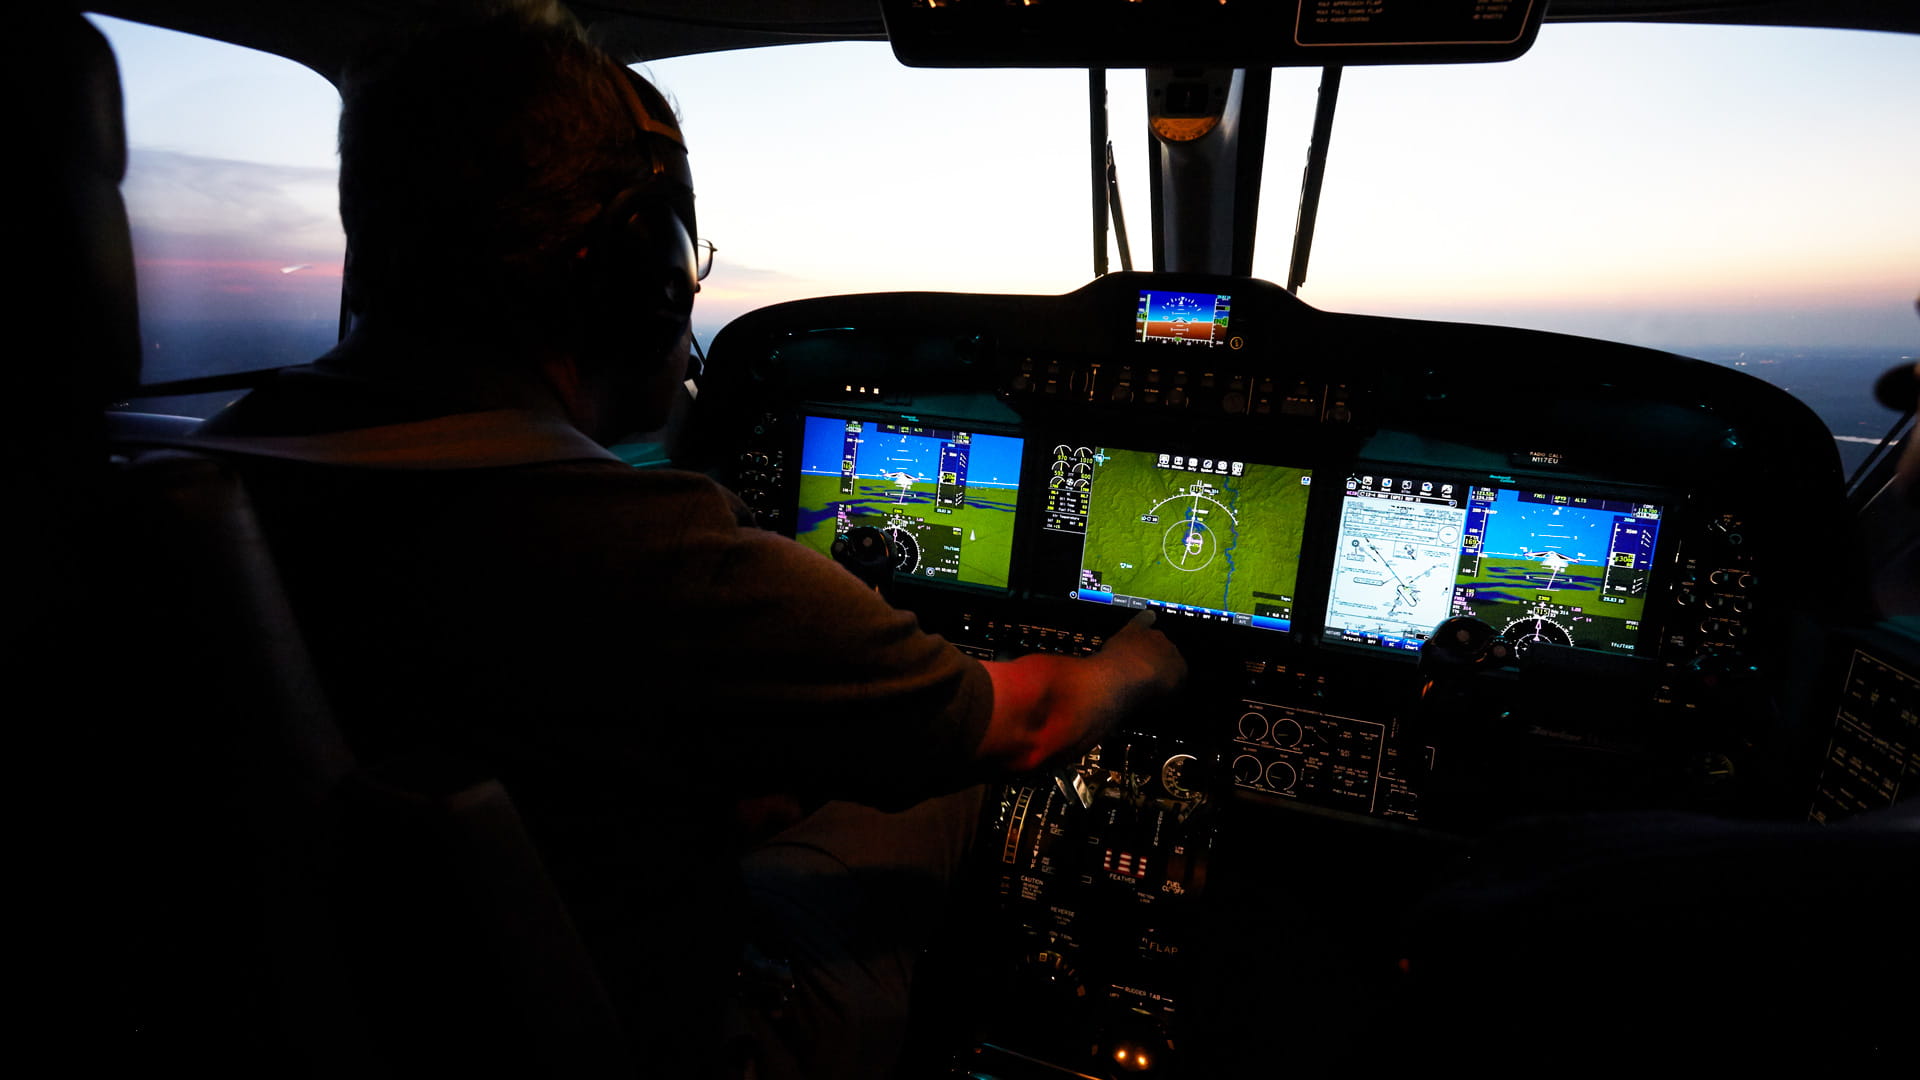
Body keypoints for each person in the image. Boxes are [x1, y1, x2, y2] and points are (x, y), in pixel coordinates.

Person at [192, 5, 1186, 1076]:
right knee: (948, 790)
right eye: (686, 269)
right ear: (644, 280)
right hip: (668, 1036)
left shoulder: (200, 489)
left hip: (347, 1016)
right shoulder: (644, 555)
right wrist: (1153, 656)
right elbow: (1029, 723)